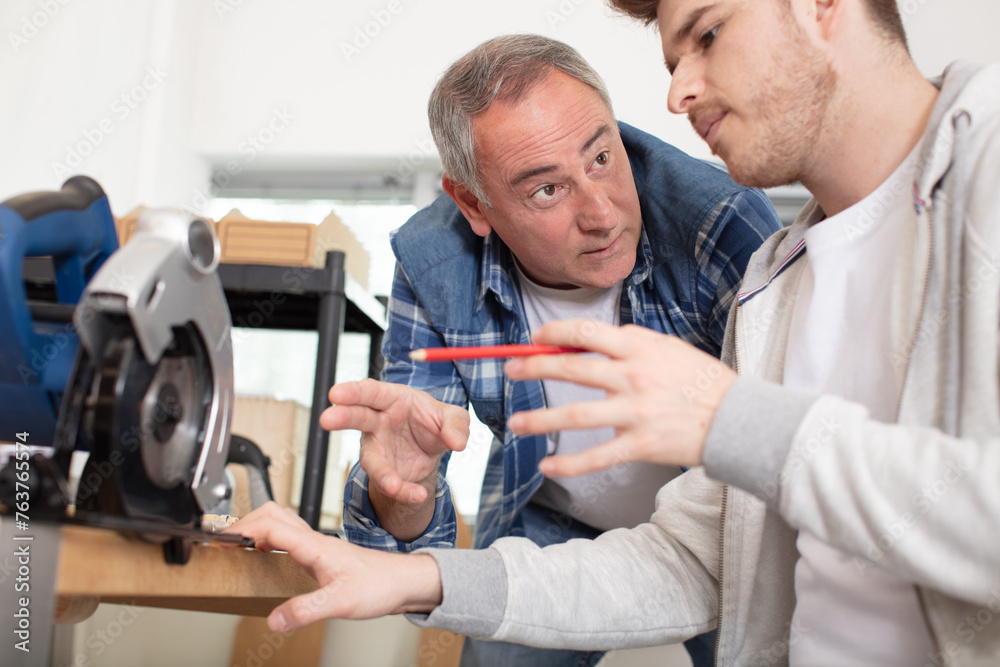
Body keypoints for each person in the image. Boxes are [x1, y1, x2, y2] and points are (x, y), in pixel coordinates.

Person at [233, 1, 1000, 663]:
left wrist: (731, 418)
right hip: (567, 523)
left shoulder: (743, 226)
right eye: (673, 58)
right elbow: (701, 555)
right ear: (474, 204)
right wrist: (414, 572)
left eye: (707, 33)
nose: (676, 93)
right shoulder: (778, 281)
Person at [322, 33, 779, 667]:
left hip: (716, 521)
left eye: (601, 158)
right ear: (474, 203)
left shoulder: (721, 222)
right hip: (553, 517)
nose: (602, 214)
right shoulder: (434, 262)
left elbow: (784, 454)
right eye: (547, 191)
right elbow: (396, 543)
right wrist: (403, 488)